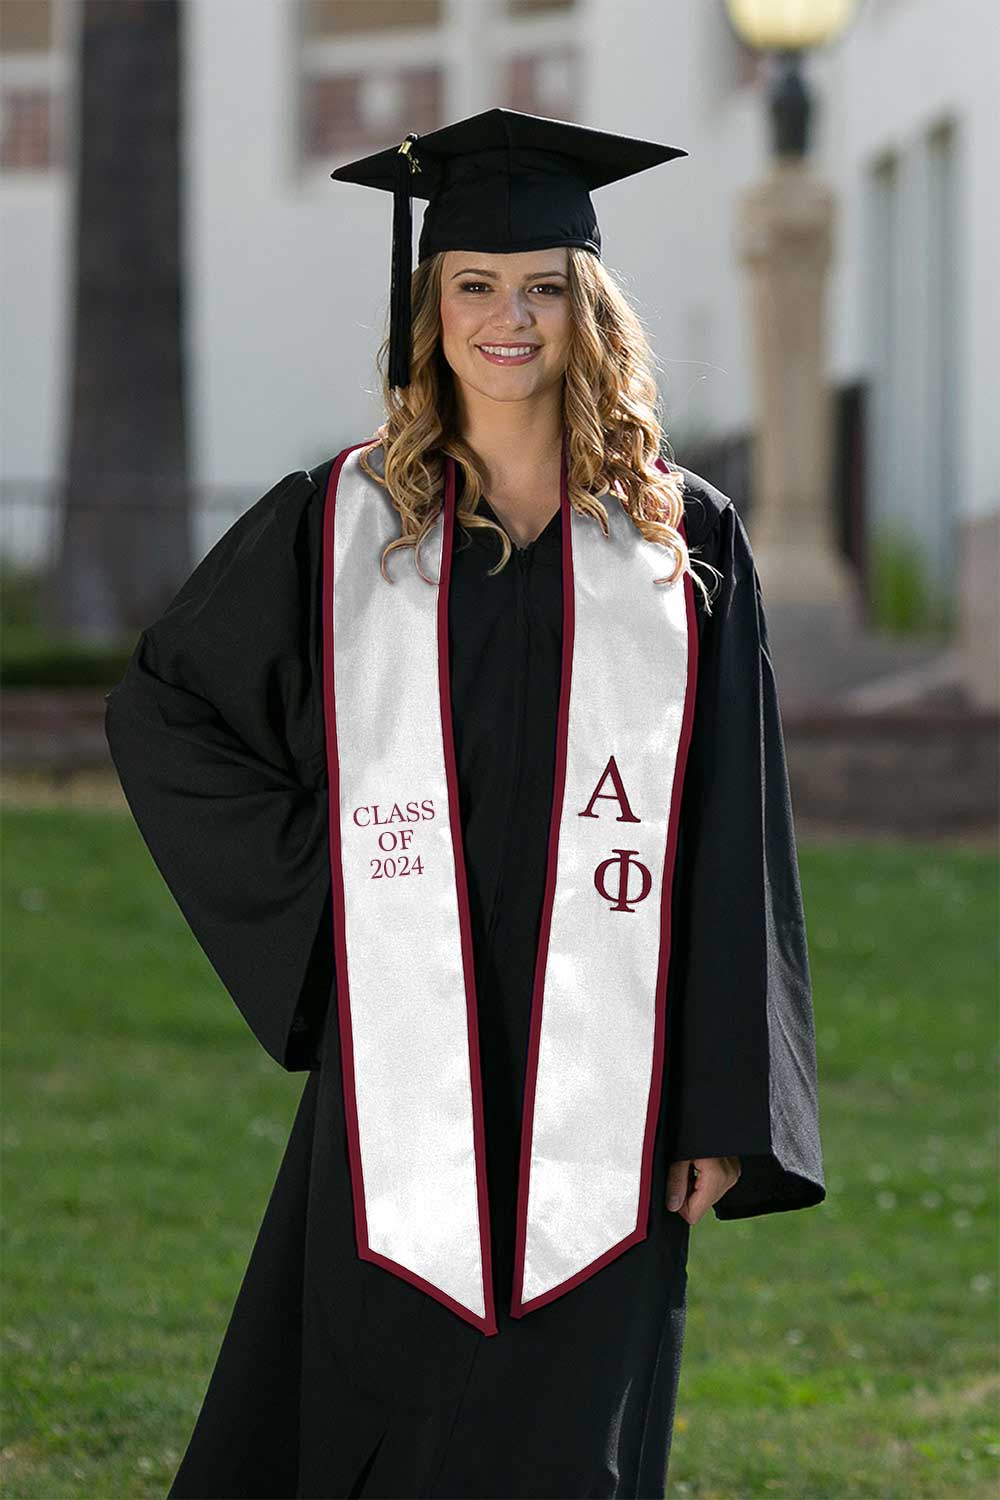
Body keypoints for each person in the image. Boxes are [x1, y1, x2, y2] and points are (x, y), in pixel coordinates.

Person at [104, 108, 824, 1500]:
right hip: (405, 1067)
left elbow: (734, 830)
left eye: (545, 285)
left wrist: (720, 1098)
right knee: (382, 1409)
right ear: (428, 310)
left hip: (610, 1071)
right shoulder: (345, 524)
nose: (512, 318)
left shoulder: (682, 541)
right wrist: (332, 897)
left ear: (587, 307)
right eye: (475, 286)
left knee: (568, 1440)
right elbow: (166, 709)